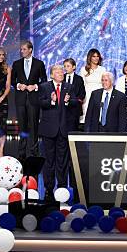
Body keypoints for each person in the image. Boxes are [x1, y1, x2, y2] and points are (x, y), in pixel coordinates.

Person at [39, 65, 80, 200]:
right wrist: (51, 101)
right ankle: (48, 188)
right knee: (49, 160)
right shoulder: (45, 86)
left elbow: (75, 102)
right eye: (57, 72)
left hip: (64, 128)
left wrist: (68, 102)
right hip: (49, 129)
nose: (61, 73)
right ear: (51, 75)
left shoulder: (69, 87)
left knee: (62, 160)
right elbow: (40, 102)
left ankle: (62, 186)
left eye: (62, 71)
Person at [11, 40, 47, 159]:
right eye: (21, 49)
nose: (22, 51)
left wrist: (35, 86)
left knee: (33, 125)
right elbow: (12, 80)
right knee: (22, 126)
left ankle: (34, 151)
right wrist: (18, 85)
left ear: (30, 50)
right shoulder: (16, 64)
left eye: (24, 49)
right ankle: (21, 152)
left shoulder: (39, 64)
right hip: (20, 99)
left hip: (33, 98)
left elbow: (44, 80)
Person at [79, 49, 106, 123]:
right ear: (90, 57)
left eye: (97, 56)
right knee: (87, 112)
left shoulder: (102, 69)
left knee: (98, 113)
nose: (96, 58)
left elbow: (105, 83)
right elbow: (82, 84)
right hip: (87, 94)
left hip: (99, 93)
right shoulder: (83, 69)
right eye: (94, 56)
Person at [62, 58, 86, 131]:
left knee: (73, 129)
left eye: (68, 66)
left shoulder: (79, 79)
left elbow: (82, 93)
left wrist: (75, 101)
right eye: (65, 66)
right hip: (63, 108)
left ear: (74, 67)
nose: (66, 68)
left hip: (75, 109)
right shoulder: (61, 77)